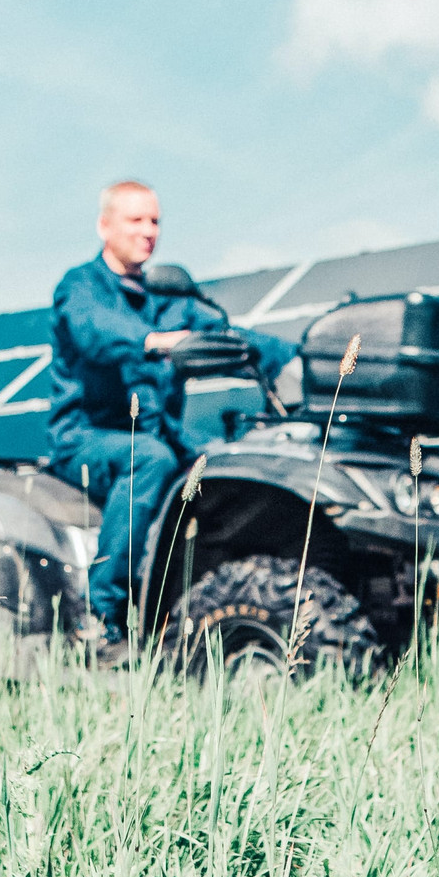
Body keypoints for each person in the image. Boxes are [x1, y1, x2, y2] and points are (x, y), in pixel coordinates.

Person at [48, 180, 294, 653]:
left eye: (155, 221)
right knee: (154, 459)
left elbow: (227, 336)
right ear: (105, 225)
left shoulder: (170, 299)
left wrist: (299, 357)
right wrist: (158, 341)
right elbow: (95, 332)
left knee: (227, 466)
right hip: (86, 438)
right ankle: (100, 616)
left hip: (163, 433)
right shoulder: (81, 287)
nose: (148, 231)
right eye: (135, 220)